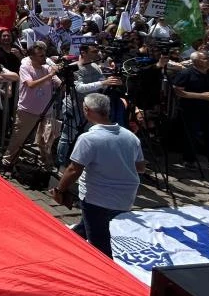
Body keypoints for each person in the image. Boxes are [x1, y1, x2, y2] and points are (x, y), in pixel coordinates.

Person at [52, 93, 145, 258]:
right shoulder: (130, 137)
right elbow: (140, 168)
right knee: (88, 225)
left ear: (87, 110)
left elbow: (74, 169)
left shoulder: (89, 138)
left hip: (97, 198)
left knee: (99, 244)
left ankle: (107, 274)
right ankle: (66, 248)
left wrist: (60, 190)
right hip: (125, 197)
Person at [57, 44, 124, 169]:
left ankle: (81, 162)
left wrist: (111, 82)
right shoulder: (74, 68)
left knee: (87, 134)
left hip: (91, 107)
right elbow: (79, 88)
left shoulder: (94, 66)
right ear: (83, 52)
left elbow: (101, 84)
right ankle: (61, 163)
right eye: (94, 51)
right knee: (68, 136)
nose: (97, 54)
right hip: (75, 105)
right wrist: (103, 82)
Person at [0, 41, 61, 171]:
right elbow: (31, 85)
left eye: (45, 55)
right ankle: (7, 162)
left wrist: (61, 75)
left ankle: (47, 164)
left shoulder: (47, 68)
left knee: (46, 140)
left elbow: (59, 84)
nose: (44, 58)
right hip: (27, 111)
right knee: (19, 139)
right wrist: (50, 75)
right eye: (41, 56)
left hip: (46, 111)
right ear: (32, 56)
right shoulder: (25, 68)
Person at [172, 49, 209, 169]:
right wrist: (201, 96)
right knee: (191, 136)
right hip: (191, 109)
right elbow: (178, 92)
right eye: (206, 58)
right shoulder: (186, 74)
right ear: (196, 61)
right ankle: (189, 160)